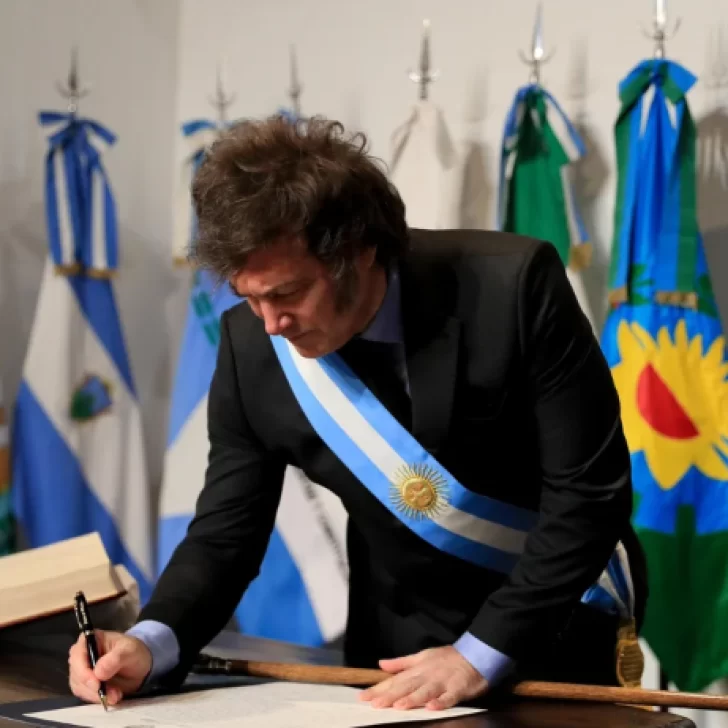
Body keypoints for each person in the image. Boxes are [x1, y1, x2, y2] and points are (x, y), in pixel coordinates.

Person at [68, 115, 647, 712]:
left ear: (359, 249)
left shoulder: (513, 288)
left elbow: (588, 495)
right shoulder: (250, 347)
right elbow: (226, 534)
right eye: (250, 297)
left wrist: (479, 654)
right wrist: (149, 643)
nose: (271, 324)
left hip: (551, 631)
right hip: (393, 649)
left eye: (287, 293)